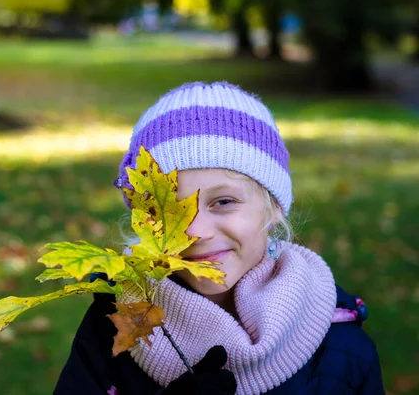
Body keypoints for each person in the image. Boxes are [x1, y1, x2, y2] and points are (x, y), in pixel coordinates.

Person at [54, 81, 384, 394]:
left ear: (273, 208)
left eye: (223, 202)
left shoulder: (342, 352)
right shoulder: (113, 328)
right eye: (168, 209)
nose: (196, 232)